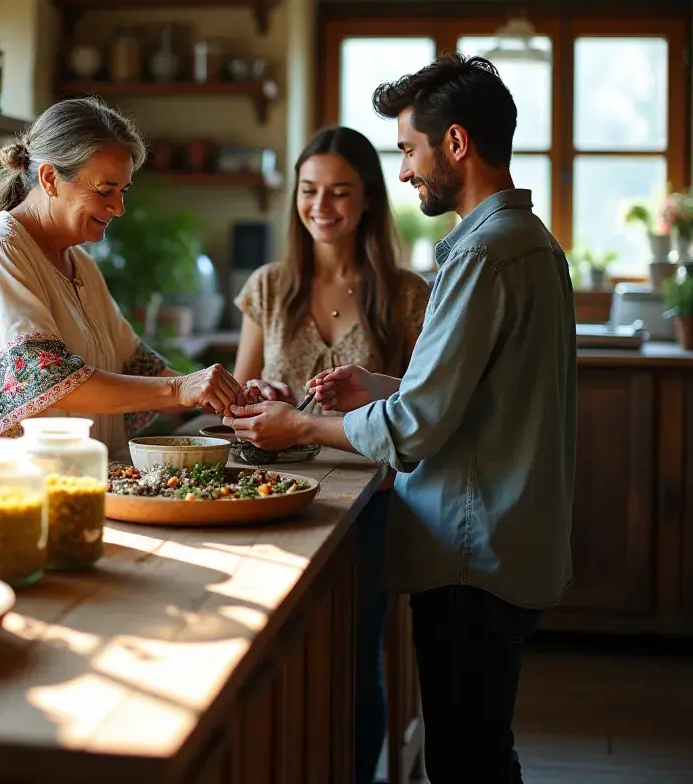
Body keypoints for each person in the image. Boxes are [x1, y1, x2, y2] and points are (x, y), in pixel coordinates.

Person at [226, 54, 577, 784]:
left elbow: (417, 427)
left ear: (455, 144)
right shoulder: (532, 244)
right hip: (507, 542)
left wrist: (302, 430)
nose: (407, 170)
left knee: (469, 761)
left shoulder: (480, 256)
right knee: (477, 747)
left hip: (471, 550)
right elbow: (472, 394)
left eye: (410, 150)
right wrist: (376, 385)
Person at [0, 97, 243, 507]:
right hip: (4, 501)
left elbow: (134, 364)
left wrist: (222, 396)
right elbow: (46, 381)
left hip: (72, 493)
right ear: (50, 178)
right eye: (105, 190)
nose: (119, 208)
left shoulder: (81, 265)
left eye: (123, 191)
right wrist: (181, 389)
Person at [231, 126, 429, 784]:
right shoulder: (267, 286)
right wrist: (258, 396)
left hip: (369, 507)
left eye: (340, 193)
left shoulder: (405, 294)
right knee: (271, 660)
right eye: (309, 191)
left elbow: (425, 408)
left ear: (369, 199)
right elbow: (240, 398)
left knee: (353, 663)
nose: (321, 207)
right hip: (272, 502)